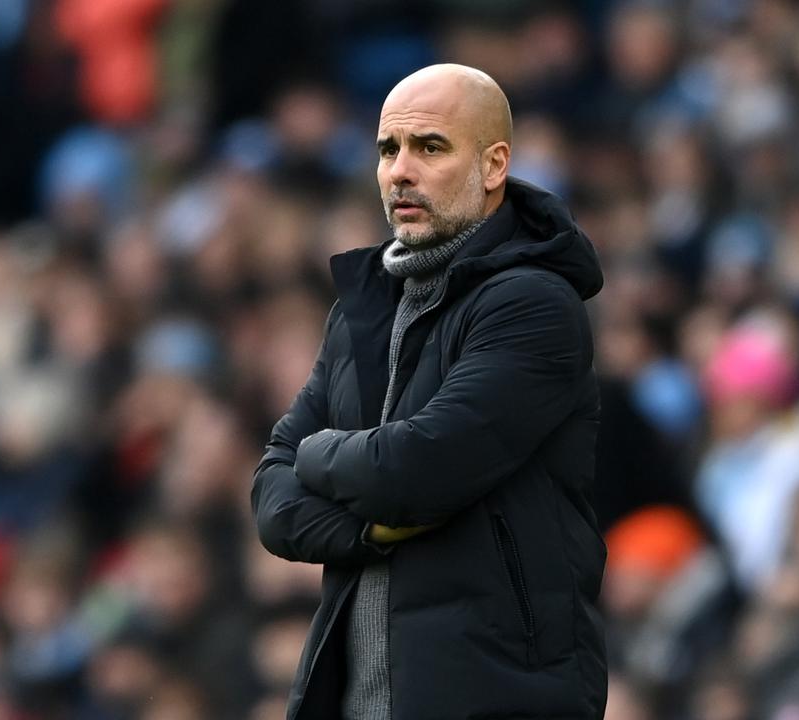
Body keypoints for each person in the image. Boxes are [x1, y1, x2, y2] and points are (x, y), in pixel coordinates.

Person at [251, 64, 607, 718]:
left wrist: (320, 454)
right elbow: (272, 501)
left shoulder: (533, 303)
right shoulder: (360, 312)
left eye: (430, 147)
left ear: (494, 165)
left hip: (497, 699)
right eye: (388, 149)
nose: (399, 170)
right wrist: (373, 532)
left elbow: (411, 471)